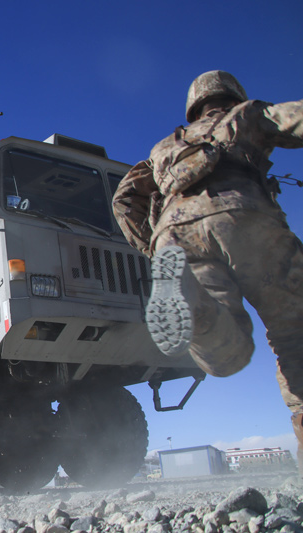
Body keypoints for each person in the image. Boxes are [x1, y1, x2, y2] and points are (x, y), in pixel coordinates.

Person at [112, 70, 303, 470]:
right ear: (233, 96)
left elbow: (124, 198)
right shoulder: (246, 115)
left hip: (175, 236)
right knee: (294, 335)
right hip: (243, 217)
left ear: (194, 106)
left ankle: (194, 303)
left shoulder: (164, 148)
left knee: (227, 358)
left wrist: (152, 246)